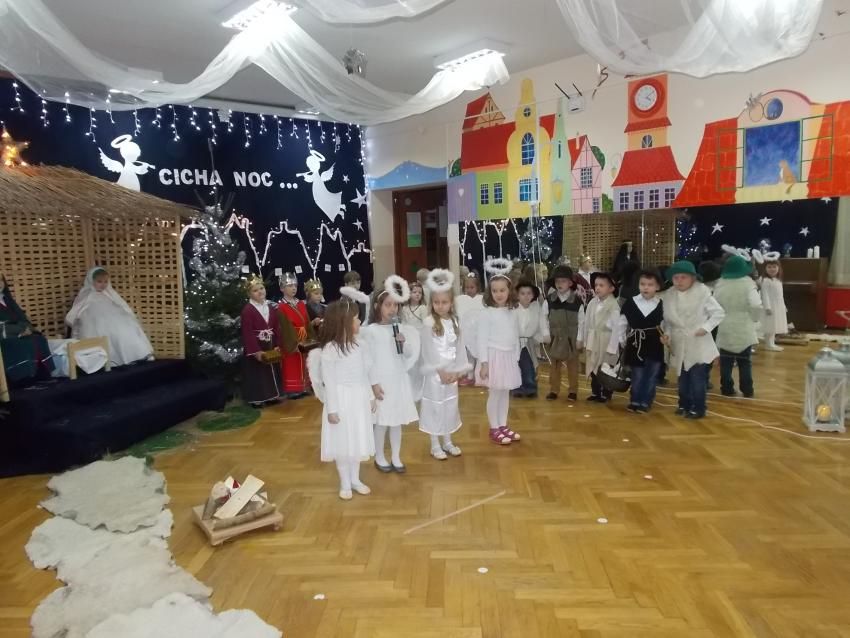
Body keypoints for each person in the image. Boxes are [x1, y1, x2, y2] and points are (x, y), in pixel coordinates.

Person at [310, 295, 376, 500]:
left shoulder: (360, 346)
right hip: (340, 400)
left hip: (358, 398)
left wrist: (370, 396)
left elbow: (365, 373)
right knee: (342, 442)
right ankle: (345, 482)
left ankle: (355, 479)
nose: (359, 321)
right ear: (344, 323)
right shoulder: (330, 350)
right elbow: (329, 382)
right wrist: (332, 409)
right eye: (356, 318)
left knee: (356, 439)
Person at [361, 279, 420, 473]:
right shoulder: (371, 331)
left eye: (395, 305)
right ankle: (380, 456)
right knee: (382, 422)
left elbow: (408, 354)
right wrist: (374, 384)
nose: (392, 309)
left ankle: (396, 456)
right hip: (382, 382)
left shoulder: (399, 328)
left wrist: (403, 343)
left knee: (397, 421)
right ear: (377, 306)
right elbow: (368, 361)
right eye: (388, 305)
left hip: (398, 379)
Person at [661, 261, 725, 419]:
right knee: (682, 378)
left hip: (698, 342)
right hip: (679, 343)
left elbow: (719, 313)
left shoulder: (702, 293)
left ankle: (699, 407)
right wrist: (667, 334)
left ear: (693, 278)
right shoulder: (669, 296)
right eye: (676, 277)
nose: (679, 281)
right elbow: (668, 321)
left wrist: (706, 327)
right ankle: (684, 404)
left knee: (697, 379)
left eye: (683, 277)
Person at [419, 269, 470, 459]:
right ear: (431, 303)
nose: (440, 306)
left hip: (451, 372)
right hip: (436, 374)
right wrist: (440, 371)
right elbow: (428, 350)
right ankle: (435, 444)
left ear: (451, 303)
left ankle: (447, 441)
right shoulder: (428, 322)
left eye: (444, 302)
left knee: (449, 406)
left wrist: (457, 371)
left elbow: (460, 347)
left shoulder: (455, 322)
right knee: (435, 406)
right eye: (436, 302)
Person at [65, 267, 154, 367]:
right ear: (91, 281)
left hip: (113, 316)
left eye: (105, 282)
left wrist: (126, 315)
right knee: (102, 327)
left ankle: (134, 354)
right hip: (94, 318)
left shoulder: (109, 293)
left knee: (126, 326)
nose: (103, 284)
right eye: (99, 282)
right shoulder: (86, 294)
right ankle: (108, 358)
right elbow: (78, 309)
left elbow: (121, 305)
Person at [476, 269, 522, 445]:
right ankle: (494, 427)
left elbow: (515, 335)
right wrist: (484, 362)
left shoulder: (513, 312)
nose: (499, 294)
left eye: (502, 290)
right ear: (490, 292)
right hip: (493, 357)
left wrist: (516, 357)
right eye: (494, 291)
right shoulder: (487, 313)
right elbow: (481, 339)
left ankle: (503, 425)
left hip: (508, 356)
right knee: (495, 394)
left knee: (505, 393)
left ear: (509, 291)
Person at [613, 269, 665, 413]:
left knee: (652, 374)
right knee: (637, 374)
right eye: (643, 284)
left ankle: (646, 401)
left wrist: (667, 335)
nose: (646, 287)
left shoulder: (661, 304)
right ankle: (635, 400)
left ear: (657, 287)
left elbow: (666, 324)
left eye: (650, 284)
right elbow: (622, 322)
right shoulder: (631, 302)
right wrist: (622, 340)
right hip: (636, 343)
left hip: (655, 344)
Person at [714, 255, 762, 398]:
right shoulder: (748, 283)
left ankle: (726, 388)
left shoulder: (720, 283)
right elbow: (756, 305)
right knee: (744, 361)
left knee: (726, 361)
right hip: (743, 326)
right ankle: (747, 389)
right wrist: (754, 319)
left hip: (724, 325)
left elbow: (714, 304)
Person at [0, 273, 55, 383]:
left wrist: (27, 329)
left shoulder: (7, 300)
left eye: (0, 280)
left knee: (39, 339)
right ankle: (22, 380)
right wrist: (19, 331)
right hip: (4, 338)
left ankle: (40, 376)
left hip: (18, 333)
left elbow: (23, 318)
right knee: (22, 344)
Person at [239, 277, 283, 407]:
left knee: (271, 370)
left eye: (261, 288)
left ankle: (272, 396)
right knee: (258, 373)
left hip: (271, 344)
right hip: (258, 346)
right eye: (255, 290)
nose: (260, 292)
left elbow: (276, 327)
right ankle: (258, 399)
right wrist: (256, 351)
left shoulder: (270, 307)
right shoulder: (247, 311)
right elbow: (247, 333)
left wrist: (278, 344)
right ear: (249, 294)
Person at [578, 272, 620, 402]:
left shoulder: (613, 305)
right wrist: (585, 340)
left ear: (611, 288)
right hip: (593, 339)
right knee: (593, 365)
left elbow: (617, 328)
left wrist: (613, 347)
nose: (597, 288)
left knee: (605, 368)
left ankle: (605, 393)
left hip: (606, 341)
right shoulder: (592, 303)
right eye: (596, 285)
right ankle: (595, 392)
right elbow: (586, 323)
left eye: (601, 285)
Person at [545, 265, 582, 402]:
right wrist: (546, 333)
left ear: (570, 283)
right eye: (557, 281)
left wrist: (580, 339)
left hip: (572, 338)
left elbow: (582, 321)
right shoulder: (550, 300)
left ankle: (573, 391)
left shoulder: (577, 301)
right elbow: (543, 317)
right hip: (555, 337)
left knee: (573, 366)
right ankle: (554, 389)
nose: (559, 284)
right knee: (554, 365)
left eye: (563, 281)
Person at [276, 272, 315, 399]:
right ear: (282, 288)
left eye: (295, 286)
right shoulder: (281, 306)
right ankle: (293, 389)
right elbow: (284, 327)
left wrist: (311, 337)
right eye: (289, 286)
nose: (293, 288)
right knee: (292, 363)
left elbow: (307, 321)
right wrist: (294, 342)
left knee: (304, 362)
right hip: (291, 339)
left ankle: (304, 386)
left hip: (303, 338)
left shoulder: (300, 303)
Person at [514, 280, 549, 398]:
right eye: (522, 293)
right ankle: (516, 387)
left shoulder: (536, 308)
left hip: (528, 341)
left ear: (533, 295)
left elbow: (542, 321)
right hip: (514, 342)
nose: (526, 296)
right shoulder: (513, 309)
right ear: (518, 295)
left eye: (529, 293)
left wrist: (545, 334)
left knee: (529, 365)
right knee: (515, 365)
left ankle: (530, 387)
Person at [454, 270, 484, 386]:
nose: (469, 290)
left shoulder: (481, 299)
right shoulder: (460, 300)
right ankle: (470, 375)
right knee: (468, 354)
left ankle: (479, 375)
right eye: (467, 287)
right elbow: (458, 314)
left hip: (479, 332)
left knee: (479, 354)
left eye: (472, 287)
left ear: (477, 287)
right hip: (466, 332)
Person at [760, 259, 788, 351]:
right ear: (765, 269)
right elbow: (764, 295)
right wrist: (767, 307)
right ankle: (768, 344)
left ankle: (772, 343)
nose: (772, 269)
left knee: (774, 326)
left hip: (778, 306)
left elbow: (781, 295)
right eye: (769, 267)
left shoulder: (778, 280)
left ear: (778, 268)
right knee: (769, 326)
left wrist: (784, 306)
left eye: (774, 267)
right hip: (770, 306)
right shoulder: (765, 281)